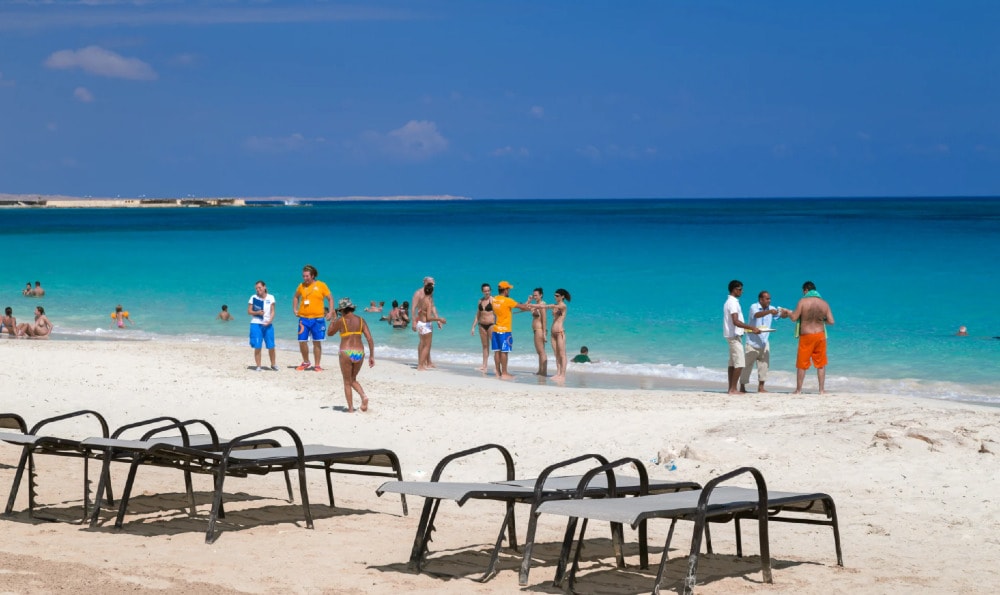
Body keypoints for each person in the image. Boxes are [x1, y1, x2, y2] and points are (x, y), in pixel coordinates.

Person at [789, 281, 836, 394]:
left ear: (806, 290)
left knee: (802, 364)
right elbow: (831, 321)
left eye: (803, 291)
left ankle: (798, 390)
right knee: (821, 364)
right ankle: (821, 390)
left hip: (806, 336)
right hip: (820, 335)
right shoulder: (824, 303)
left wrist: (788, 312)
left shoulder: (803, 301)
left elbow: (794, 318)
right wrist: (821, 321)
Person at [329, 297, 375, 412]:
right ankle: (363, 396)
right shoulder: (361, 320)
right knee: (353, 379)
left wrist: (333, 319)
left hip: (346, 351)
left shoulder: (341, 320)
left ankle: (350, 409)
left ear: (342, 310)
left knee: (347, 382)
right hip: (359, 352)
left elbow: (329, 333)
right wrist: (372, 356)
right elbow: (369, 339)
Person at [739, 290, 789, 393]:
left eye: (770, 299)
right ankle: (742, 387)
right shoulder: (754, 306)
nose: (769, 301)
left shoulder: (772, 308)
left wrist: (785, 313)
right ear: (761, 299)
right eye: (767, 299)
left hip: (764, 341)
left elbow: (780, 316)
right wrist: (770, 312)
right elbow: (757, 315)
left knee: (764, 365)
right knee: (747, 365)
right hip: (752, 342)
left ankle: (761, 387)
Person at [291, 264, 333, 371]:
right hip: (303, 319)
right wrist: (295, 309)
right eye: (303, 276)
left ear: (313, 275)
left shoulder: (321, 285)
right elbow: (296, 297)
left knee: (316, 342)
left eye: (307, 276)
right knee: (302, 341)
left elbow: (330, 298)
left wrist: (331, 311)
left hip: (318, 319)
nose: (305, 278)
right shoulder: (301, 286)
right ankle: (306, 362)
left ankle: (317, 365)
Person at [723, 280, 761, 395]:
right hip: (734, 337)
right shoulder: (732, 302)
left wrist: (749, 329)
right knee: (740, 363)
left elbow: (734, 322)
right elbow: (735, 321)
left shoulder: (729, 302)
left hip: (732, 335)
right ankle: (733, 389)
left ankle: (731, 388)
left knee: (732, 363)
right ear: (734, 289)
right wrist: (752, 328)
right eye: (740, 289)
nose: (742, 291)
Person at [490, 280, 531, 379]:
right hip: (505, 330)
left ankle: (498, 372)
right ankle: (504, 373)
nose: (509, 291)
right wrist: (530, 308)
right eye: (508, 289)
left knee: (497, 351)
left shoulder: (494, 299)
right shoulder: (508, 300)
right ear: (505, 290)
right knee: (504, 352)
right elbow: (522, 307)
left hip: (496, 329)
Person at [531, 289, 571, 381]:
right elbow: (545, 307)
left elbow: (547, 306)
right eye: (555, 295)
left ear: (562, 296)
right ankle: (558, 373)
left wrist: (533, 305)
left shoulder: (563, 306)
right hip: (553, 333)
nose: (555, 297)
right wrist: (532, 305)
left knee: (562, 354)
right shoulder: (555, 305)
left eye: (557, 295)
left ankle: (562, 375)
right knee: (556, 354)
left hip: (560, 332)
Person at [412, 276, 446, 370]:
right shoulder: (418, 293)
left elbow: (433, 307)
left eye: (434, 284)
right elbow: (413, 308)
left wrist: (437, 319)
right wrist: (413, 321)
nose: (433, 286)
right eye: (431, 284)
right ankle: (421, 364)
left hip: (424, 322)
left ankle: (427, 362)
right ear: (425, 282)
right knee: (425, 344)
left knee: (425, 343)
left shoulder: (428, 295)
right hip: (423, 322)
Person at [248, 280, 277, 371]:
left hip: (268, 324)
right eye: (256, 288)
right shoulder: (253, 297)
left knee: (271, 346)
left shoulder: (271, 297)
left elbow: (273, 311)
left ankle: (273, 364)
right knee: (257, 345)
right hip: (256, 324)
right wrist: (257, 312)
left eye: (259, 287)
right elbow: (249, 311)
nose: (258, 289)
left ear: (264, 287)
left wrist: (270, 321)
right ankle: (258, 366)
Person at [470, 283, 495, 372]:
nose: (487, 292)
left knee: (495, 346)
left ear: (490, 291)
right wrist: (473, 326)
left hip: (491, 325)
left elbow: (498, 313)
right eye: (485, 291)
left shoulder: (493, 300)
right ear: (482, 291)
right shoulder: (480, 301)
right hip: (482, 325)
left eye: (488, 291)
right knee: (485, 346)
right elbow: (478, 315)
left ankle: (497, 366)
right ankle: (484, 366)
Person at [527, 287, 548, 376]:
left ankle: (544, 371)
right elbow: (526, 307)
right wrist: (529, 300)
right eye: (534, 295)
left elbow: (544, 319)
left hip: (540, 330)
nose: (534, 297)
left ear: (541, 295)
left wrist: (544, 333)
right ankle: (540, 370)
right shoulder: (536, 305)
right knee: (539, 352)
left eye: (536, 295)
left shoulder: (542, 305)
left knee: (541, 351)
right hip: (536, 330)